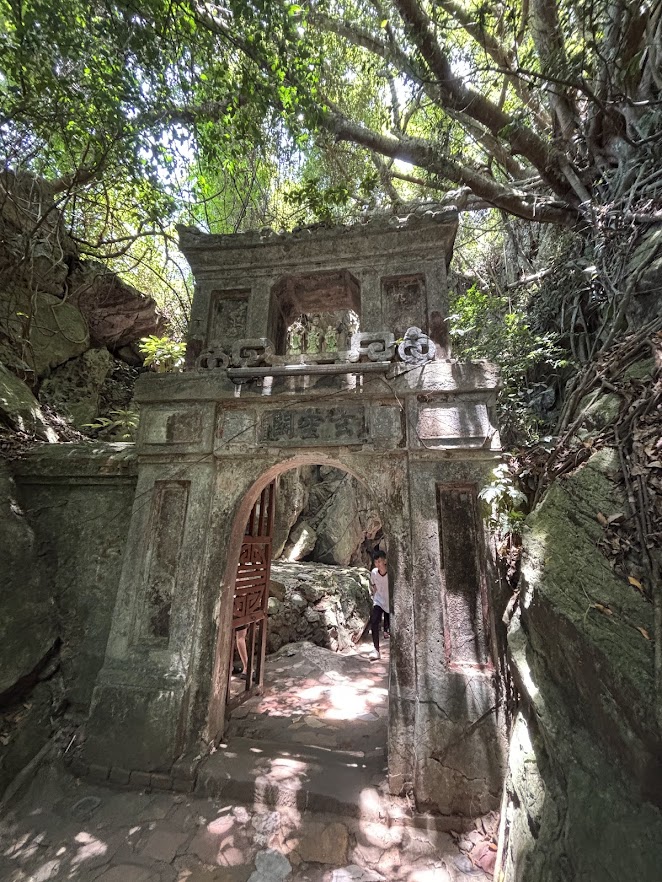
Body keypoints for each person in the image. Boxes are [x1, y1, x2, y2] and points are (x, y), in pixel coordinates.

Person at [368, 550, 390, 661]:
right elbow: (373, 585)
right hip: (379, 601)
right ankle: (376, 649)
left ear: (385, 561)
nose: (378, 564)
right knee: (374, 621)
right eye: (376, 562)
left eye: (380, 561)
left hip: (390, 602)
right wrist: (376, 595)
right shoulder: (374, 572)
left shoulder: (391, 573)